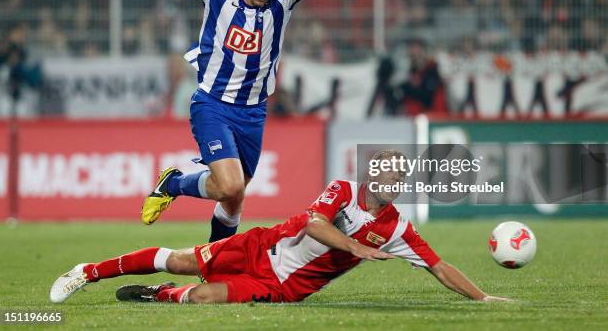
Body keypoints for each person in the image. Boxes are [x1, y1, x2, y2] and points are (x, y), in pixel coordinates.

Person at [140, 0, 369, 242]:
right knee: (230, 185)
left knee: (234, 196)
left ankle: (217, 260)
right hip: (213, 104)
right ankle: (176, 183)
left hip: (253, 112)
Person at [51, 150, 510, 305]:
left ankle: (159, 295)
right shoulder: (343, 189)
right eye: (388, 172)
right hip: (262, 247)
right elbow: (314, 225)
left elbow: (439, 266)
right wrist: (355, 246)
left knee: (203, 298)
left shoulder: (396, 228)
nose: (394, 180)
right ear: (373, 173)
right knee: (184, 260)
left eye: (400, 176)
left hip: (283, 287)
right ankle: (87, 271)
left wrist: (484, 297)